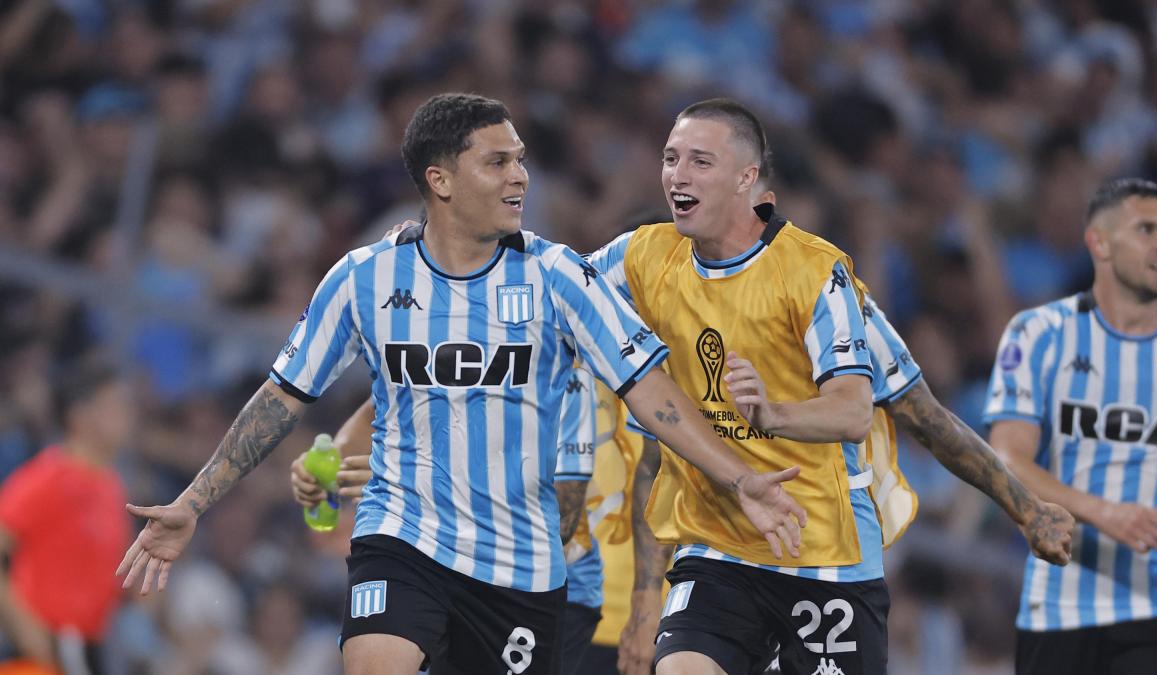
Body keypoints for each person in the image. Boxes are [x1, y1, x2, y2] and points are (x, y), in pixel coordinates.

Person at [115, 93, 806, 675]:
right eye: (499, 161)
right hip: (405, 535)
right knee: (373, 658)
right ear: (441, 180)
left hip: (524, 567)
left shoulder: (558, 277)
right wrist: (194, 501)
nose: (521, 177)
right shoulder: (364, 279)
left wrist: (738, 476)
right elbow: (281, 397)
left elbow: (653, 393)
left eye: (522, 160)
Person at [583, 98, 1074, 675]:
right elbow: (557, 294)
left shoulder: (820, 278)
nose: (678, 174)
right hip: (719, 550)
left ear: (748, 180)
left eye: (699, 161)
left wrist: (1027, 510)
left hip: (824, 560)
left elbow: (905, 417)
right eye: (671, 158)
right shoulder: (644, 258)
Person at [984, 178, 1157, 674]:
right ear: (1099, 242)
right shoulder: (1038, 333)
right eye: (1147, 230)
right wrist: (1103, 512)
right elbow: (1007, 459)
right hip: (1059, 607)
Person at [290, 364, 607, 673]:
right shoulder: (438, 342)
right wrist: (325, 466)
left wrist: (410, 479)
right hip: (432, 564)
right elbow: (374, 417)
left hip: (539, 584)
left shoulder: (554, 361)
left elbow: (555, 510)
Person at [0, 357, 134, 675]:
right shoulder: (49, 477)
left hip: (86, 650)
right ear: (79, 415)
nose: (127, 415)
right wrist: (23, 624)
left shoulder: (112, 486)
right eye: (113, 405)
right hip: (38, 654)